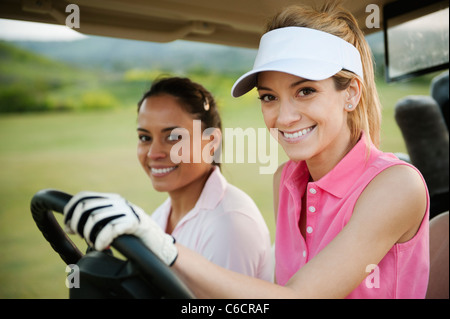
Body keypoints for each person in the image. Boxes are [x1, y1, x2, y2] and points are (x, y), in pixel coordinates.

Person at [63, 3, 430, 298]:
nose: (284, 117)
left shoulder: (396, 186)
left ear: (350, 93)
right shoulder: (285, 179)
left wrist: (164, 247)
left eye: (305, 91)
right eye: (269, 97)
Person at [64, 76, 273, 282]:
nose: (154, 153)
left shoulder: (229, 224)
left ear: (211, 141)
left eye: (173, 137)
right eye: (145, 138)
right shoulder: (160, 217)